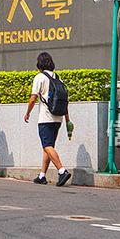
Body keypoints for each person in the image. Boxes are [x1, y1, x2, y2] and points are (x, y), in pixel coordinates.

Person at [24, 51, 72, 187]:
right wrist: (67, 119)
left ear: (39, 64)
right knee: (48, 146)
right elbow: (65, 100)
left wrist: (27, 113)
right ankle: (42, 175)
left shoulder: (39, 77)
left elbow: (33, 98)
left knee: (47, 146)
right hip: (58, 118)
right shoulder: (58, 78)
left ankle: (62, 171)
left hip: (46, 117)